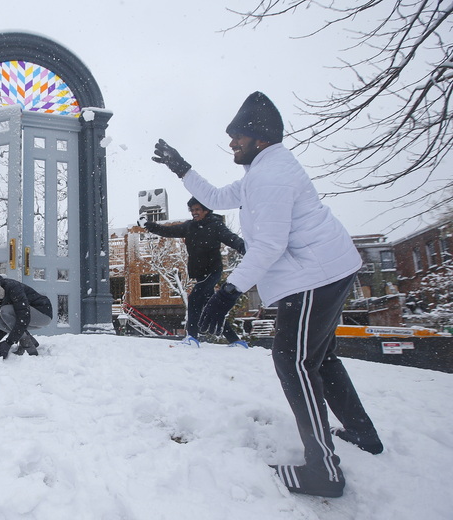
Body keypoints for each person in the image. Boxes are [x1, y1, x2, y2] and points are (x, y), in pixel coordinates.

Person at [152, 91, 383, 498]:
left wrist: (228, 292)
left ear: (259, 138)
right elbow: (220, 198)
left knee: (293, 362)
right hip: (326, 271)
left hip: (316, 276)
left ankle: (323, 471)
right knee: (320, 357)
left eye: (237, 136)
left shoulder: (272, 177)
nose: (231, 143)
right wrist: (182, 169)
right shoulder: (260, 172)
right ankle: (363, 434)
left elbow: (270, 245)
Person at [142, 196, 246, 347]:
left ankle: (192, 338)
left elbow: (231, 238)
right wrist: (148, 225)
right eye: (192, 210)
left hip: (212, 271)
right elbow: (167, 230)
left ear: (206, 210)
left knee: (194, 299)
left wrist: (245, 248)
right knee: (212, 308)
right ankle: (235, 341)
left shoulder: (215, 225)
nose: (194, 213)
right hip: (199, 273)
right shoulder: (189, 226)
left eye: (197, 209)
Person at [0, 269, 52, 358]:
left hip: (43, 312)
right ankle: (30, 340)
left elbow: (23, 316)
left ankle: (27, 345)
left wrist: (9, 342)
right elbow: (7, 321)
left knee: (5, 311)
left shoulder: (12, 287)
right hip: (27, 316)